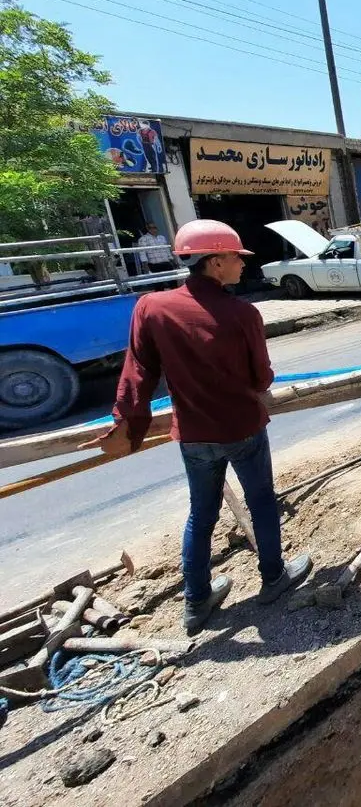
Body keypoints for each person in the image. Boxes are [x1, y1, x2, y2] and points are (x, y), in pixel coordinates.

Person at [93, 219, 311, 634]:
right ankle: (273, 578)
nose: (243, 265)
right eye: (236, 258)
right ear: (214, 263)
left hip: (194, 435)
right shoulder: (242, 313)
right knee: (262, 501)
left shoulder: (151, 308)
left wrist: (126, 421)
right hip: (243, 428)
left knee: (202, 513)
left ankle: (196, 603)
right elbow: (262, 379)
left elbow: (138, 371)